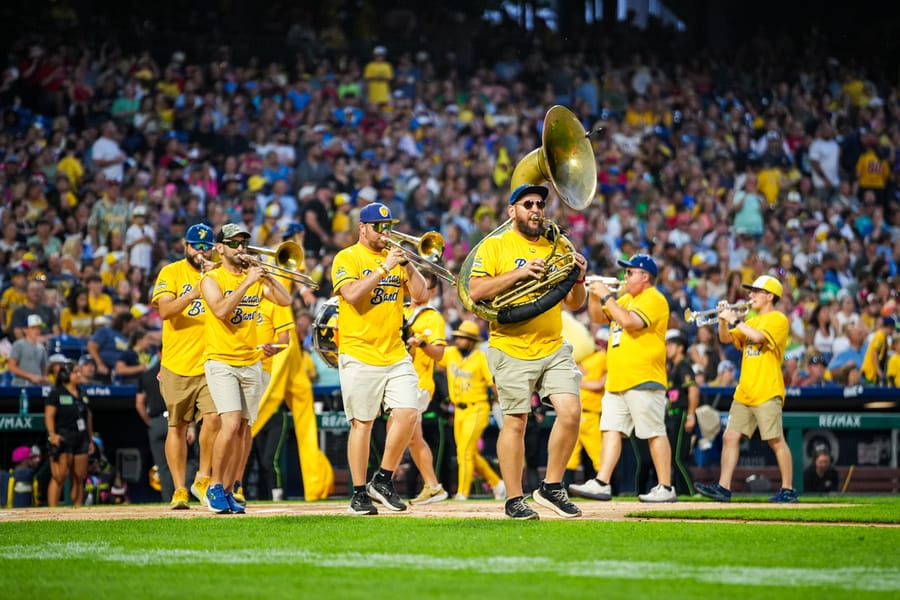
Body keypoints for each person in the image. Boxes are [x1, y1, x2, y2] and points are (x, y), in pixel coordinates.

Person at [467, 184, 588, 520]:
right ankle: (515, 498)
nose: (536, 209)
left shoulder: (558, 245)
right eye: (528, 204)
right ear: (512, 211)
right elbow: (475, 290)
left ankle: (551, 486)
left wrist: (579, 279)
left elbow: (575, 304)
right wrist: (520, 272)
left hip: (552, 344)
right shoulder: (495, 245)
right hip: (510, 345)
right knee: (516, 422)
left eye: (540, 204)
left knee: (571, 412)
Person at [331, 202, 429, 515]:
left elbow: (422, 295)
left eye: (388, 226)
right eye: (378, 227)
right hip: (359, 351)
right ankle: (358, 493)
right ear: (362, 228)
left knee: (408, 413)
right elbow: (352, 296)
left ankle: (383, 479)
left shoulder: (396, 259)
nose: (384, 232)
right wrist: (385, 267)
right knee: (363, 423)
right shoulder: (347, 257)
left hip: (394, 351)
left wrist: (409, 264)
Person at [200, 222, 291, 514]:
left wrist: (269, 275)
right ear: (220, 248)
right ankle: (214, 486)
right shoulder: (211, 279)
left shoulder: (253, 277)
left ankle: (228, 489)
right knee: (229, 422)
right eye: (235, 244)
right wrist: (249, 282)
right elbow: (222, 311)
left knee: (242, 428)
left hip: (250, 361)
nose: (241, 249)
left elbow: (286, 300)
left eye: (244, 244)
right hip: (221, 360)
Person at [572, 253, 676, 503]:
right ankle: (601, 483)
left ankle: (665, 487)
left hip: (643, 377)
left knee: (653, 432)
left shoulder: (654, 298)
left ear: (645, 276)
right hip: (618, 379)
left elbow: (629, 321)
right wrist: (596, 296)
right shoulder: (626, 298)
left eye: (630, 272)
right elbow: (598, 318)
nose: (625, 276)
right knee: (610, 430)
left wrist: (607, 295)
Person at [695, 275, 798, 503]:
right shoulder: (750, 321)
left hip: (766, 388)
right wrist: (723, 319)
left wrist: (734, 320)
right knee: (730, 436)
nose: (750, 296)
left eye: (755, 291)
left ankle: (788, 489)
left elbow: (759, 338)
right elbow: (725, 339)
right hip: (745, 390)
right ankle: (724, 487)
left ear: (770, 296)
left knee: (775, 440)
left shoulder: (778, 319)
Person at [151, 223, 220, 509]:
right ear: (185, 246)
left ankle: (202, 477)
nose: (201, 252)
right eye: (196, 246)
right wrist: (193, 293)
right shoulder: (171, 272)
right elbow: (165, 311)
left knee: (215, 418)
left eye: (206, 246)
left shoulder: (219, 273)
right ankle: (179, 489)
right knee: (177, 426)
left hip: (212, 362)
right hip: (177, 364)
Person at [439, 320, 505, 500]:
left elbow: (492, 383)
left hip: (477, 408)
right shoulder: (451, 353)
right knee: (469, 452)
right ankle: (496, 483)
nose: (459, 340)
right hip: (458, 411)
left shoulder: (480, 358)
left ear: (472, 340)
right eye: (458, 337)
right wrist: (421, 344)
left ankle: (462, 493)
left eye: (464, 338)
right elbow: (435, 355)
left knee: (465, 452)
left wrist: (502, 403)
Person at [403, 275, 449, 505]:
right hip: (400, 380)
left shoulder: (433, 317)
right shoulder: (400, 310)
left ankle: (381, 483)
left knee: (400, 430)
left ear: (431, 292)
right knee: (413, 438)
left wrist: (421, 343)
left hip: (419, 384)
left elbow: (439, 354)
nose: (416, 289)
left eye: (424, 286)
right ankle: (433, 486)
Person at [45, 360, 94, 506]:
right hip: (62, 436)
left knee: (79, 477)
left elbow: (88, 417)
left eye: (79, 371)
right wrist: (52, 434)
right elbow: (49, 415)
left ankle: (77, 511)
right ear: (66, 375)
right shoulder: (56, 393)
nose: (79, 375)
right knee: (59, 477)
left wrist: (90, 439)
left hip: (80, 437)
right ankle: (52, 512)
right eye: (75, 372)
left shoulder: (82, 393)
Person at [564, 328, 608, 488]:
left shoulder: (587, 358)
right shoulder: (590, 357)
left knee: (583, 456)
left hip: (584, 413)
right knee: (576, 456)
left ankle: (606, 487)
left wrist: (578, 380)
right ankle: (607, 487)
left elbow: (600, 384)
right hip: (582, 412)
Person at [7, 314, 50, 386]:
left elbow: (44, 369)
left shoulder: (41, 347)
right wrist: (30, 376)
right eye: (33, 328)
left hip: (37, 386)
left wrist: (44, 378)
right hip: (20, 385)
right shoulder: (18, 344)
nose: (37, 330)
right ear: (25, 330)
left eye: (39, 328)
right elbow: (11, 367)